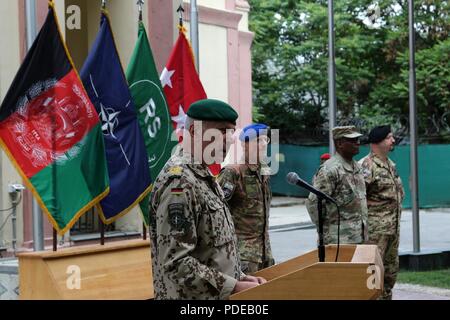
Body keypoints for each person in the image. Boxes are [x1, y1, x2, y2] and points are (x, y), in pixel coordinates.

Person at [148, 99, 266, 300]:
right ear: (194, 131)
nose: (229, 139)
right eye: (221, 131)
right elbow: (176, 262)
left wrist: (242, 278)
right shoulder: (179, 182)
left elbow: (211, 251)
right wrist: (234, 286)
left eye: (231, 132)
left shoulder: (203, 176)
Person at [218, 123, 275, 273]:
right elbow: (218, 212)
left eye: (265, 140)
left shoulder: (264, 173)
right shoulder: (233, 172)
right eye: (258, 140)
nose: (263, 145)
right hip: (242, 256)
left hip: (265, 254)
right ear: (245, 144)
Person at [359, 125, 404, 300]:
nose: (393, 141)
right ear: (377, 142)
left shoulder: (390, 165)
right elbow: (358, 197)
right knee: (373, 274)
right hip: (375, 232)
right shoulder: (367, 165)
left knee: (390, 273)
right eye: (389, 137)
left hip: (393, 228)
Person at [306, 126, 368, 244]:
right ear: (339, 143)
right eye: (352, 140)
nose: (357, 143)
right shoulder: (330, 170)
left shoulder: (358, 168)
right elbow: (314, 204)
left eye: (358, 140)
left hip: (359, 237)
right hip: (338, 241)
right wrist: (325, 231)